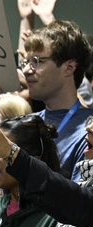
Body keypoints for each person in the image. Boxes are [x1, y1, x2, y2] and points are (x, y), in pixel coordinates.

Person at [21, 20, 93, 181]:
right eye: (26, 62)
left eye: (37, 61)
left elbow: (81, 201)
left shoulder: (89, 130)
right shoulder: (27, 123)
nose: (26, 70)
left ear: (69, 68)